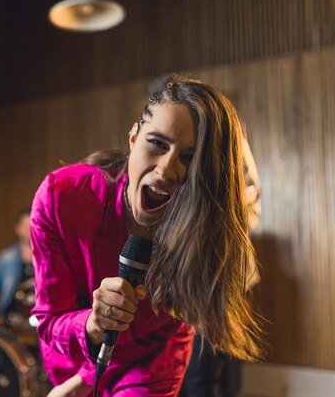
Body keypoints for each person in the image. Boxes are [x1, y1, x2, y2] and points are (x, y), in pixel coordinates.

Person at [30, 75, 263, 397]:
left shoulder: (200, 231)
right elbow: (50, 319)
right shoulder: (62, 196)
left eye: (189, 158)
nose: (167, 171)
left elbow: (164, 329)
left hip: (152, 361)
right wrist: (92, 323)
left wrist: (85, 380)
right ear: (133, 138)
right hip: (72, 355)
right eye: (157, 144)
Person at [179, 137, 262, 397]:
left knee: (219, 375)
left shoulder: (236, 220)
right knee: (200, 377)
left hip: (223, 296)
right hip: (198, 299)